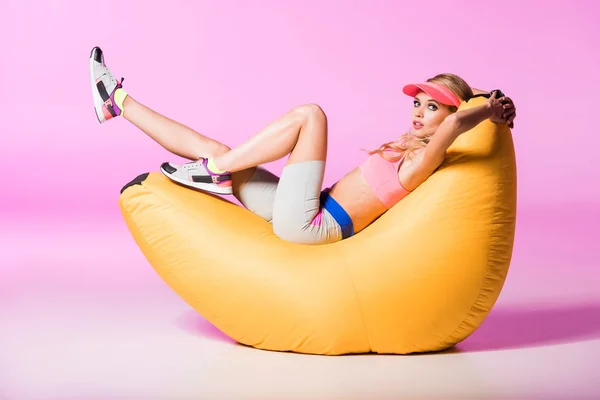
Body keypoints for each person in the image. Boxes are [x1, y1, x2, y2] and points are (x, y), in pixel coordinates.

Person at [90, 46, 517, 245]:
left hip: (312, 224)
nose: (419, 112)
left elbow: (463, 115)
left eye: (433, 107)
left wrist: (493, 109)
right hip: (303, 207)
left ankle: (216, 170)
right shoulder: (414, 148)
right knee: (215, 147)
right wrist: (484, 99)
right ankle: (117, 102)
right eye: (417, 103)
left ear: (450, 116)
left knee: (311, 114)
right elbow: (462, 107)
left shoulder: (427, 157)